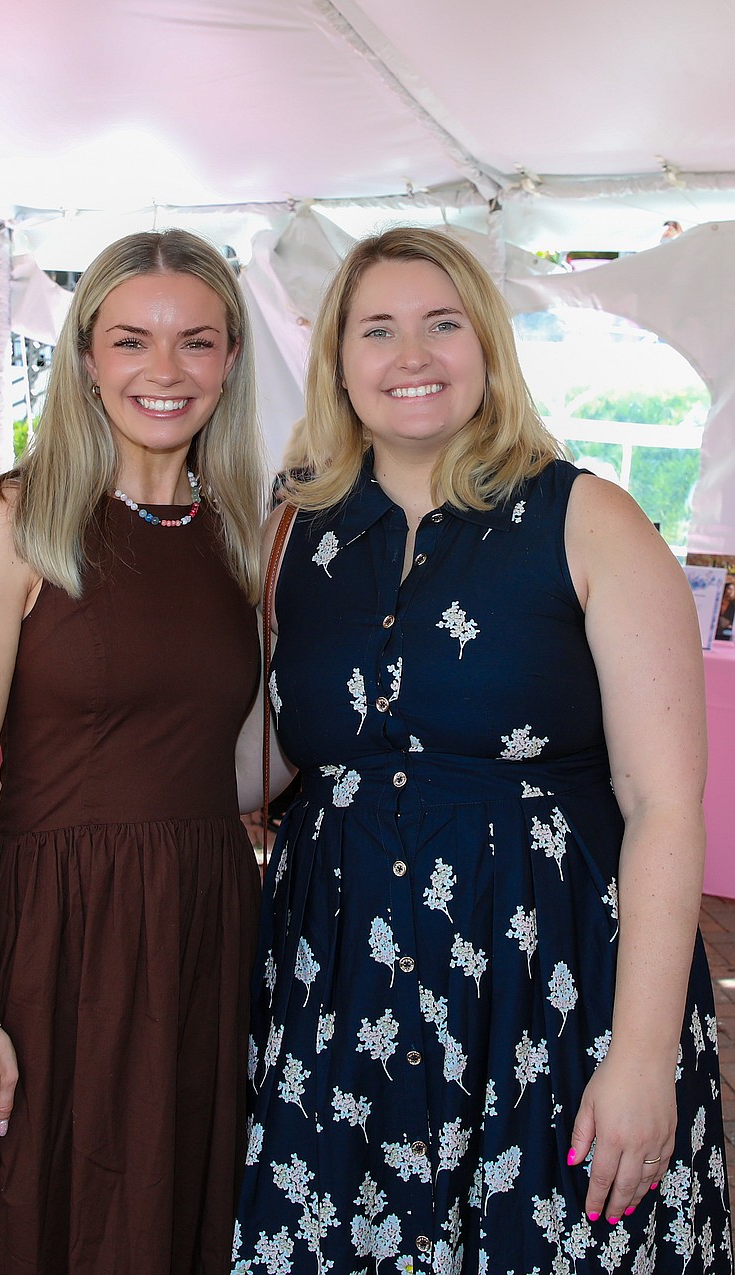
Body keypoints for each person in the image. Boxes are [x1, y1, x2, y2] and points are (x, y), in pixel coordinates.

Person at [232, 228, 732, 1272]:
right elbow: (273, 757)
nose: (410, 355)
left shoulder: (587, 518)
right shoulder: (295, 531)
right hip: (343, 983)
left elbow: (664, 804)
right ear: (338, 360)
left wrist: (639, 1055)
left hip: (550, 984)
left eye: (440, 324)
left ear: (488, 346)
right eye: (378, 329)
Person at [0, 229, 267, 1274]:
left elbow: (236, 761)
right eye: (131, 340)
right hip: (51, 938)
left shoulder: (241, 535)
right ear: (87, 357)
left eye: (196, 341)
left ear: (231, 358)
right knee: (31, 1221)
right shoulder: (12, 521)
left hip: (201, 928)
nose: (164, 370)